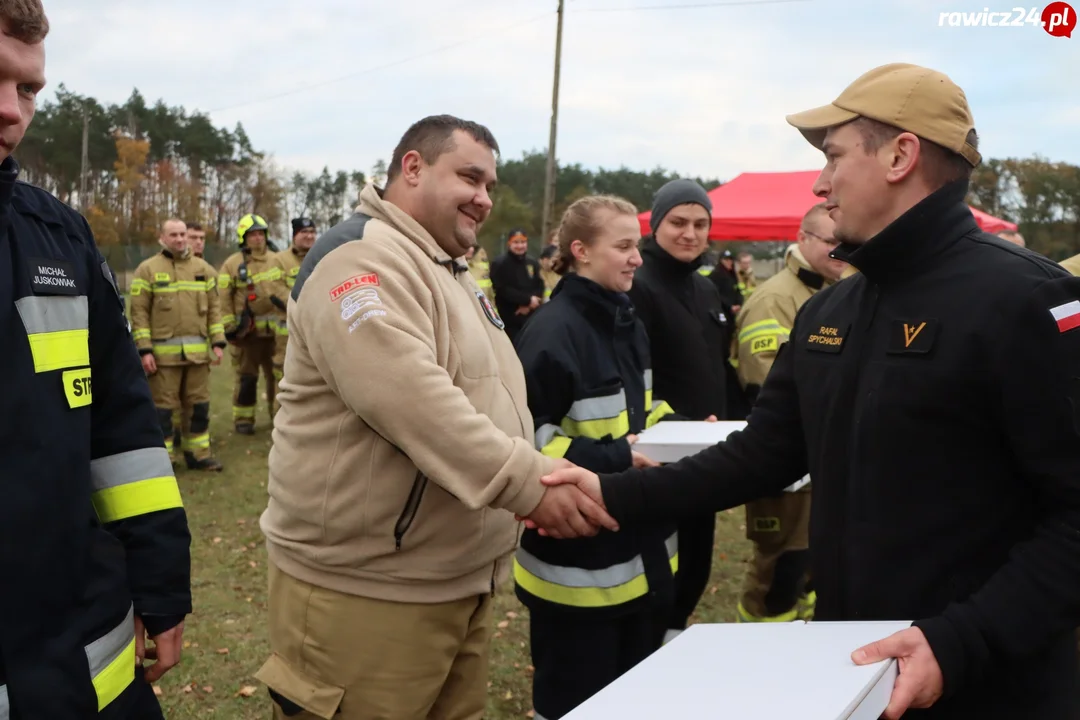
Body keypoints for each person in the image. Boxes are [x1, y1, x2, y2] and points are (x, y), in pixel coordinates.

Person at [533, 62, 1080, 719]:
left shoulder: (1030, 299)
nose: (821, 183)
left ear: (901, 155)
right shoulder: (831, 313)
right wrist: (610, 490)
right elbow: (761, 454)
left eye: (835, 156)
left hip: (990, 686)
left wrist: (960, 640)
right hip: (854, 676)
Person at [255, 114, 615, 720]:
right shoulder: (359, 260)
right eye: (470, 177)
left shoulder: (449, 268)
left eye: (491, 186)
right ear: (413, 167)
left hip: (452, 580)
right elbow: (411, 400)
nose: (484, 198)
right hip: (366, 595)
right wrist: (530, 486)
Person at [0, 2, 191, 716]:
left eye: (27, 90)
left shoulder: (59, 238)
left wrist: (163, 583)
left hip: (91, 667)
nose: (11, 112)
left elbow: (122, 431)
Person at [513, 195, 678, 720]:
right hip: (578, 578)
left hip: (640, 557)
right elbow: (526, 439)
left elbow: (640, 411)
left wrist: (680, 434)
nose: (637, 259)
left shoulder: (626, 320)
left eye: (639, 246)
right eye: (624, 246)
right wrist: (618, 458)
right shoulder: (552, 331)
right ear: (580, 251)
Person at [627, 178, 737, 644]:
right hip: (657, 456)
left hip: (706, 453)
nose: (689, 233)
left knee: (695, 565)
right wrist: (671, 425)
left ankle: (671, 648)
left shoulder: (707, 290)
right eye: (678, 222)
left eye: (699, 223)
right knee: (658, 574)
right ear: (655, 224)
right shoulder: (639, 286)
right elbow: (632, 377)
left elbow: (718, 367)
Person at [731, 203, 846, 624]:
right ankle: (758, 653)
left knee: (811, 568)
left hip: (821, 463)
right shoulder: (777, 298)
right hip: (787, 469)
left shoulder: (828, 292)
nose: (840, 251)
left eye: (844, 241)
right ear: (802, 240)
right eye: (830, 242)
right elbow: (765, 387)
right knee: (780, 572)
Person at [129, 218, 226, 471]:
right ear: (162, 237)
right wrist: (145, 349)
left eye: (183, 234)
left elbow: (215, 310)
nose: (180, 239)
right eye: (174, 234)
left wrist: (218, 343)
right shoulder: (146, 270)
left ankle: (199, 454)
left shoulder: (205, 269)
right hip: (162, 359)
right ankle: (164, 459)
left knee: (198, 406)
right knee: (163, 410)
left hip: (197, 357)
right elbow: (138, 313)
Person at [217, 214, 289, 434]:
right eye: (252, 234)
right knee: (247, 377)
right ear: (243, 238)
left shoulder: (278, 259)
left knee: (277, 377)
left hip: (276, 333)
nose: (257, 238)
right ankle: (243, 420)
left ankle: (278, 418)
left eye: (261, 234)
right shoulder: (232, 265)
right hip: (247, 333)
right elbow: (224, 298)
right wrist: (230, 329)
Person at [172, 220, 209, 450]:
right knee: (170, 402)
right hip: (170, 350)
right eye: (193, 237)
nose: (197, 242)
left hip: (199, 349)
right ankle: (174, 439)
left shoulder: (206, 271)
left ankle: (195, 445)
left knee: (197, 400)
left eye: (201, 238)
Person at [490, 227, 544, 342]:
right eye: (516, 242)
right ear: (509, 243)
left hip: (531, 317)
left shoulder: (532, 263)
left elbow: (540, 284)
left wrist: (531, 304)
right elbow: (502, 289)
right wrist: (527, 300)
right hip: (510, 317)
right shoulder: (500, 263)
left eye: (523, 242)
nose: (520, 246)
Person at [709, 248, 744, 313]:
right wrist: (729, 306)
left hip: (733, 311)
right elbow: (715, 294)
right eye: (726, 259)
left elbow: (737, 289)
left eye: (730, 259)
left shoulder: (732, 275)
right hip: (721, 310)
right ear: (721, 261)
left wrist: (739, 303)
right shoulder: (716, 275)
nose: (729, 262)